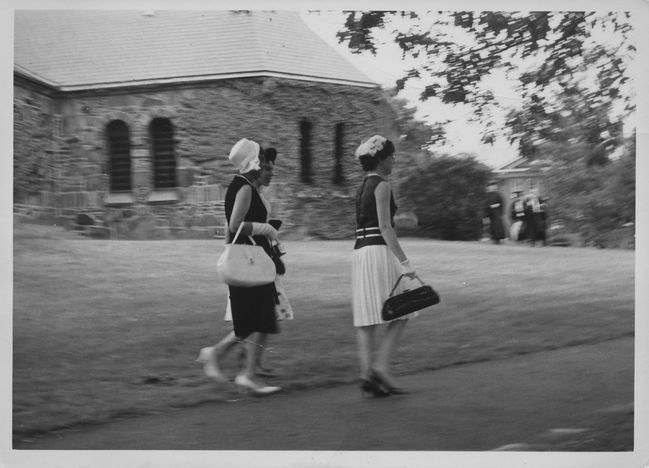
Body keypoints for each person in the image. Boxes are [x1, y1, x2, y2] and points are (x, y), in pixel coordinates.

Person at [197, 147, 290, 382]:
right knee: (255, 318)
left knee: (257, 318)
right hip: (248, 259)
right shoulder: (245, 188)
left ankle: (245, 366)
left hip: (252, 257)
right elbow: (234, 225)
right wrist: (266, 229)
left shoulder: (240, 185)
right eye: (261, 162)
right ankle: (225, 359)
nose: (264, 167)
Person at [351, 135, 417, 398]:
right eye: (392, 157)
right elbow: (385, 227)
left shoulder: (362, 187)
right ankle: (381, 368)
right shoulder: (383, 186)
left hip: (360, 253)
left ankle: (367, 372)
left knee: (367, 317)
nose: (394, 161)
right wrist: (405, 263)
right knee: (403, 309)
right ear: (381, 159)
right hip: (379, 252)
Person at [483, 180, 506, 244]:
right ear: (489, 187)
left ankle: (499, 239)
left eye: (494, 186)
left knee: (498, 226)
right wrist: (485, 215)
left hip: (497, 213)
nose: (492, 187)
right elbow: (485, 205)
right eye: (491, 186)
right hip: (490, 213)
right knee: (492, 227)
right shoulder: (487, 195)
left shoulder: (498, 195)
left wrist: (498, 207)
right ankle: (494, 239)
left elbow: (502, 203)